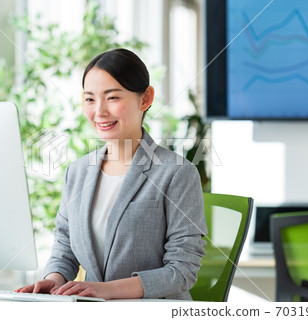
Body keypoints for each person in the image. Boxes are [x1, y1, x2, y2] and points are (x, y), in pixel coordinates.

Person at [16, 48, 207, 300]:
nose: (99, 112)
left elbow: (182, 271)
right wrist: (52, 281)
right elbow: (65, 249)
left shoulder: (177, 172)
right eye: (89, 99)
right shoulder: (77, 171)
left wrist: (106, 291)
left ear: (145, 99)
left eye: (112, 98)